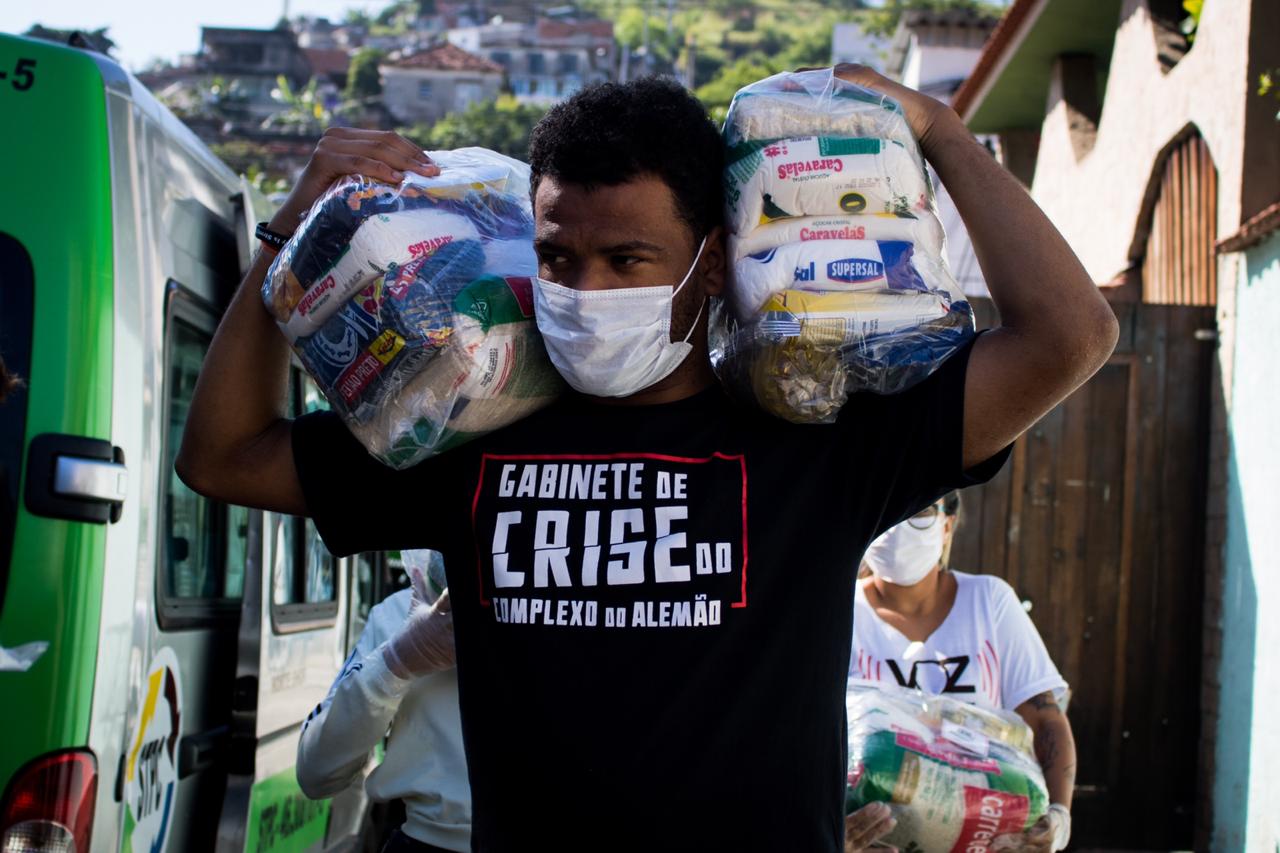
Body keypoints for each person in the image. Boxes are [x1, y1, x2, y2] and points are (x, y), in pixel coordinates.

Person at [176, 67, 1117, 852]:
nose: (585, 290)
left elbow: (1071, 335)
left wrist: (944, 132)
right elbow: (222, 458)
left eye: (628, 258)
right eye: (557, 257)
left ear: (713, 264)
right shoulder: (466, 433)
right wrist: (287, 236)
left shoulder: (819, 440)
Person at [851, 494, 1076, 852]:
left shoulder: (989, 602)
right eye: (887, 510)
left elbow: (1047, 718)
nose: (899, 527)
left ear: (948, 523)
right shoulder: (842, 616)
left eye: (920, 509)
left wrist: (1059, 816)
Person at [296, 551, 470, 853]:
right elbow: (316, 772)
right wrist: (395, 663)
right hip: (427, 843)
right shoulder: (403, 612)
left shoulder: (571, 616)